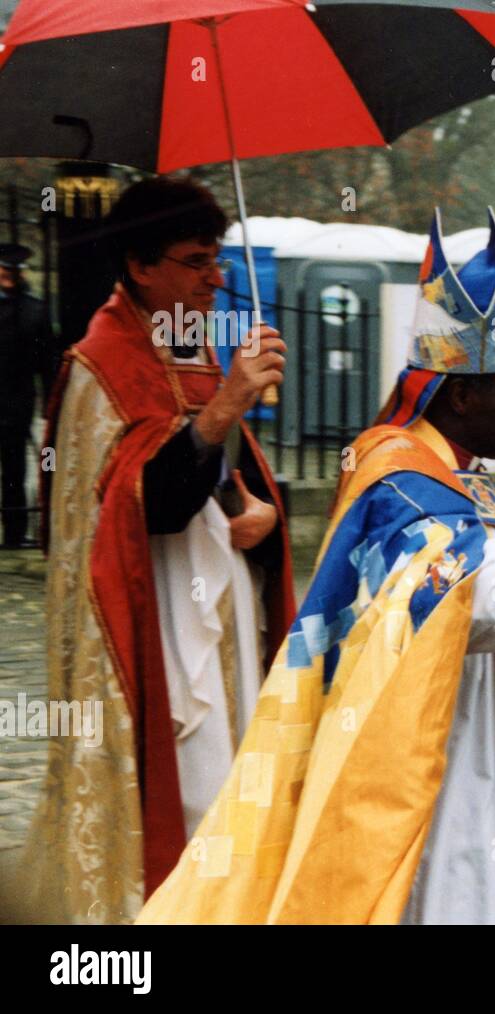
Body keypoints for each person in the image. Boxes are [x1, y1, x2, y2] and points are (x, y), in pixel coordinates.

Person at [137, 209, 495, 924]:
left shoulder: (463, 471)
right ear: (463, 394)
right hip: (441, 758)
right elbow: (462, 605)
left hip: (491, 742)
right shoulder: (396, 475)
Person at [23, 177, 296, 924]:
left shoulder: (189, 342)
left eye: (218, 260)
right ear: (142, 267)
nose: (216, 278)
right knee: (193, 797)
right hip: (156, 633)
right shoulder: (100, 363)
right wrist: (227, 406)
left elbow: (222, 479)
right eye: (197, 260)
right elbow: (147, 507)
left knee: (233, 794)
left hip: (218, 617)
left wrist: (260, 512)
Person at [0, 242, 57, 548]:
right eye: (4, 268)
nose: (9, 274)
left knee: (14, 470)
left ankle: (14, 532)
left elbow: (47, 362)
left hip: (14, 403)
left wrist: (50, 404)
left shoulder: (34, 310)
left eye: (14, 270)